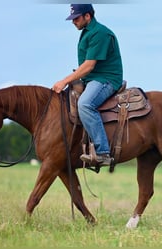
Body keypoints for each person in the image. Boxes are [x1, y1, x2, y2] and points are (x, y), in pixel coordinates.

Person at [52, 4, 123, 167]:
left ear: (88, 16)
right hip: (92, 78)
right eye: (72, 18)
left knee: (85, 104)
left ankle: (103, 152)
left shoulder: (100, 33)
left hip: (106, 79)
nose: (73, 22)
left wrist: (65, 81)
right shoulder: (87, 32)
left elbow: (89, 65)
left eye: (76, 18)